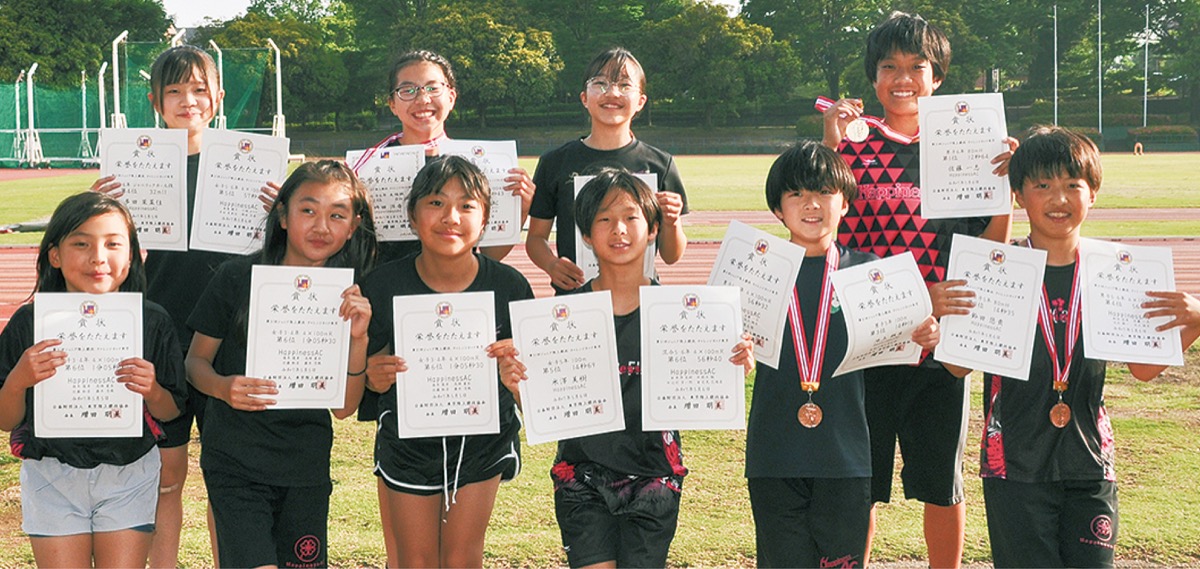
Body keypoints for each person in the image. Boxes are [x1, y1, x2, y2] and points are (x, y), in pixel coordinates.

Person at [934, 126, 1200, 568]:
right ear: (1019, 195)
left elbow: (1143, 369)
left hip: (1090, 462)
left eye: (1072, 185)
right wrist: (946, 320)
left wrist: (1194, 323)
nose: (1058, 199)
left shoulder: (1116, 271)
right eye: (1042, 185)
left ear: (1092, 193)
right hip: (1012, 464)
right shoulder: (996, 273)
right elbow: (959, 369)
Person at [819, 13, 1014, 567]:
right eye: (889, 67)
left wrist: (1000, 180)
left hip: (940, 338)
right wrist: (831, 142)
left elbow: (990, 244)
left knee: (941, 483)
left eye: (917, 67)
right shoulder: (854, 145)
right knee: (863, 478)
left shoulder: (964, 145)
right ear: (873, 77)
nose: (902, 78)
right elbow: (820, 220)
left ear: (938, 77)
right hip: (868, 335)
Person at [496, 168, 755, 568]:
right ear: (586, 234)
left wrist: (733, 363)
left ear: (652, 229)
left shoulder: (688, 317)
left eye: (631, 217)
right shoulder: (559, 320)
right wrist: (517, 385)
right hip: (580, 473)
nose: (619, 229)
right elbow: (541, 405)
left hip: (655, 473)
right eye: (604, 219)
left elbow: (711, 390)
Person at [88, 45, 271, 567]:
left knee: (227, 481)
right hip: (161, 330)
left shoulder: (249, 166)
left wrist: (278, 211)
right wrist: (101, 207)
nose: (187, 100)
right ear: (155, 101)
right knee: (165, 479)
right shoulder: (136, 167)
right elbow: (106, 254)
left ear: (218, 97)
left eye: (198, 89)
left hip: (227, 337)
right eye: (174, 91)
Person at [746, 142, 941, 568]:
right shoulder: (756, 273)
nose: (811, 205)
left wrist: (925, 333)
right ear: (777, 208)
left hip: (847, 456)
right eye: (796, 194)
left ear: (846, 203)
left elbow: (906, 341)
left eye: (824, 193)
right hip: (774, 455)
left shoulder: (871, 274)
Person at [184, 160, 375, 568]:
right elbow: (195, 363)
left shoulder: (350, 294)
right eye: (308, 210)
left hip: (304, 466)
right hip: (235, 462)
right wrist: (222, 387)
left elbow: (343, 408)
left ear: (353, 225)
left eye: (337, 215)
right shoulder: (236, 277)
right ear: (283, 215)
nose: (321, 226)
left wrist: (358, 340)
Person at [358, 156, 532, 568]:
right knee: (415, 560)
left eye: (467, 206)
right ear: (412, 215)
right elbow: (364, 372)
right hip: (408, 441)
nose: (450, 217)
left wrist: (515, 378)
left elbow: (533, 388)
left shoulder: (509, 285)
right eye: (436, 203)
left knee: (461, 557)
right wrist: (372, 376)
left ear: (486, 220)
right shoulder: (382, 285)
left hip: (483, 440)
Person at [0, 192, 187, 567]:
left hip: (129, 472)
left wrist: (152, 389)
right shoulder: (28, 324)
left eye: (113, 244)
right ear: (55, 255)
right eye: (81, 243)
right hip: (51, 473)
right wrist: (19, 381)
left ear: (132, 254)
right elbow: (5, 421)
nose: (98, 257)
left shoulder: (152, 322)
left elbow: (170, 412)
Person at [526, 47, 688, 294]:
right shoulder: (555, 162)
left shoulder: (660, 164)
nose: (612, 93)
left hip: (641, 300)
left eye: (624, 85)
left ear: (640, 102)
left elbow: (671, 255)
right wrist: (551, 264)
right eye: (600, 83)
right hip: (577, 297)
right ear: (584, 98)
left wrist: (672, 222)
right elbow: (536, 238)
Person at [354, 49, 534, 264]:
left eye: (432, 88)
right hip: (386, 289)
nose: (422, 99)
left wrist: (519, 211)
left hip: (455, 289)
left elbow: (490, 255)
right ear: (392, 103)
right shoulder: (368, 167)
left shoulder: (477, 163)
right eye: (408, 90)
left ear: (451, 97)